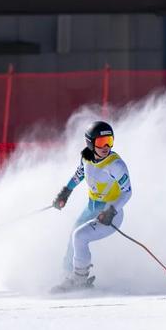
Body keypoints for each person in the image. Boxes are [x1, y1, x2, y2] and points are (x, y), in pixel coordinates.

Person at [51, 121, 132, 291]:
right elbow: (80, 174)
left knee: (80, 237)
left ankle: (79, 280)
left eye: (109, 141)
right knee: (74, 235)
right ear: (90, 143)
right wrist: (65, 193)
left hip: (111, 212)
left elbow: (127, 192)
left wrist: (112, 211)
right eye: (101, 142)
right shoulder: (86, 156)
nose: (106, 146)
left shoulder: (116, 165)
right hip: (92, 207)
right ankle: (67, 276)